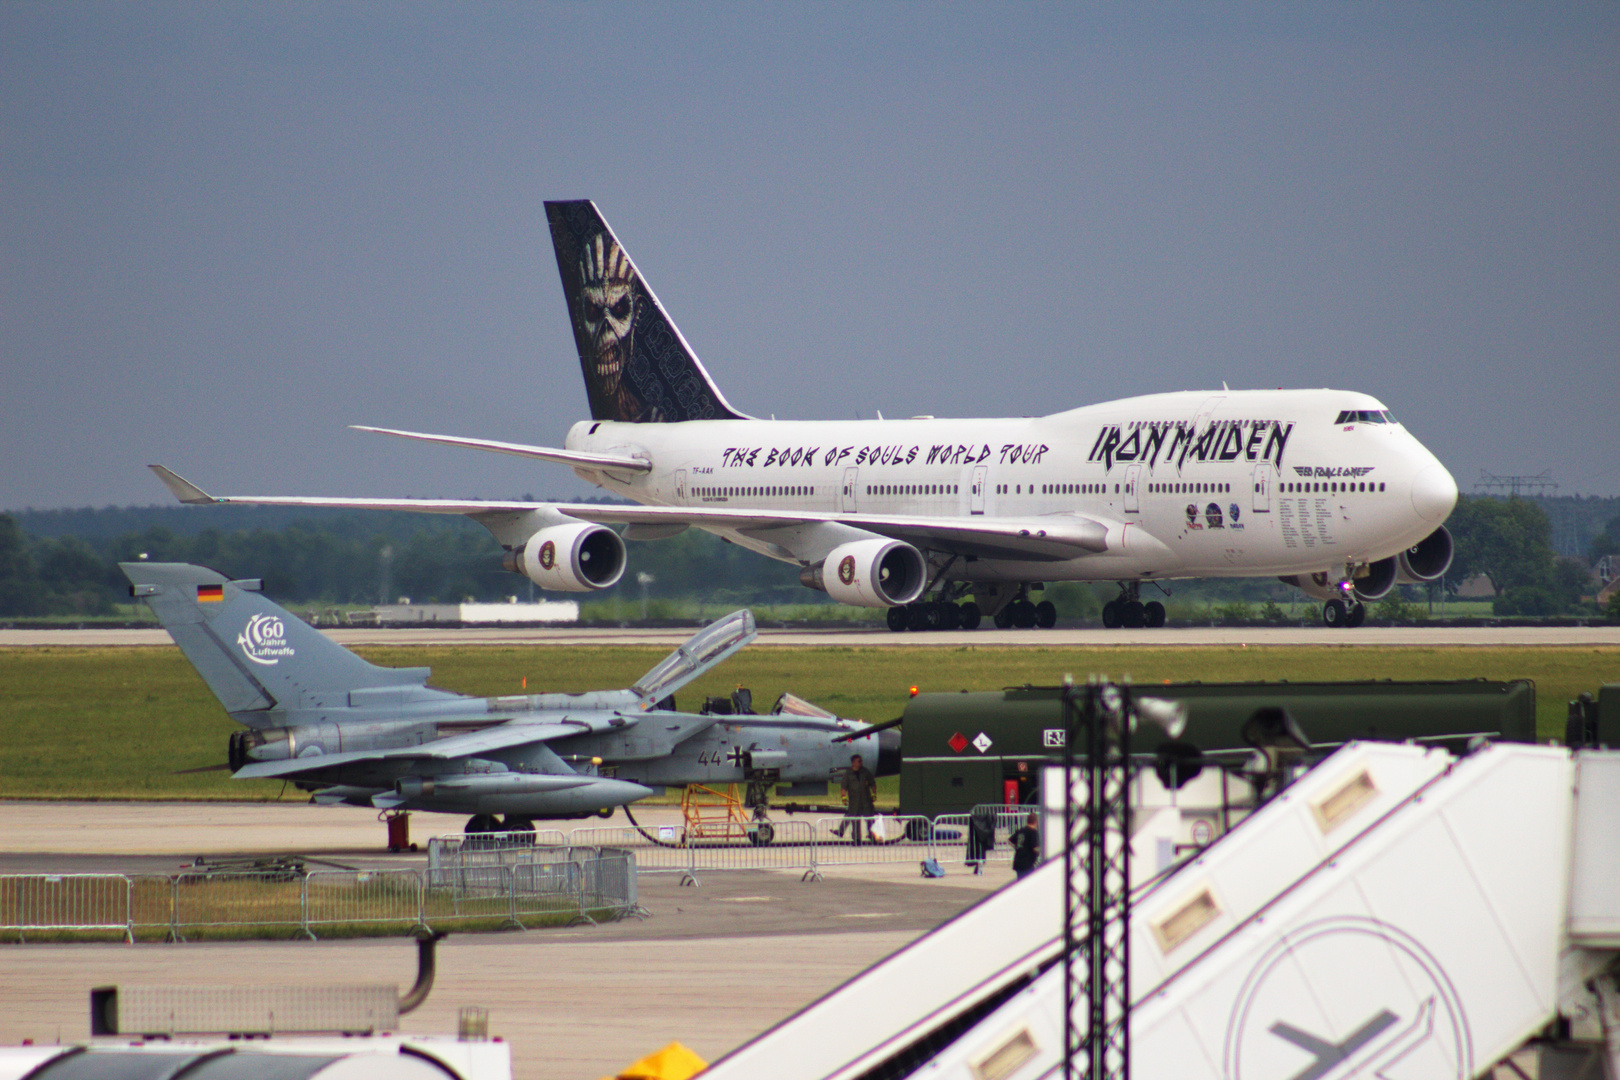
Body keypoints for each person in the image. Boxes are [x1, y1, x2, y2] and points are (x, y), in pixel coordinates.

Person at [836, 753, 878, 844]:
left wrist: (874, 794)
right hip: (855, 802)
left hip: (866, 801)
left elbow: (872, 783)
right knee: (855, 821)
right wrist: (843, 797)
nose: (861, 762)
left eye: (861, 761)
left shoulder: (865, 772)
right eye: (859, 761)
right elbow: (843, 787)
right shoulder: (848, 774)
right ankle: (857, 838)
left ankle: (872, 836)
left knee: (870, 819)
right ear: (854, 763)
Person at [1011, 812, 1041, 880]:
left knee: (1020, 882)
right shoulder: (1033, 832)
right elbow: (1035, 848)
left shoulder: (1021, 830)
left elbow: (1010, 841)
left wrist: (1017, 847)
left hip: (1018, 860)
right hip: (1027, 863)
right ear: (1036, 822)